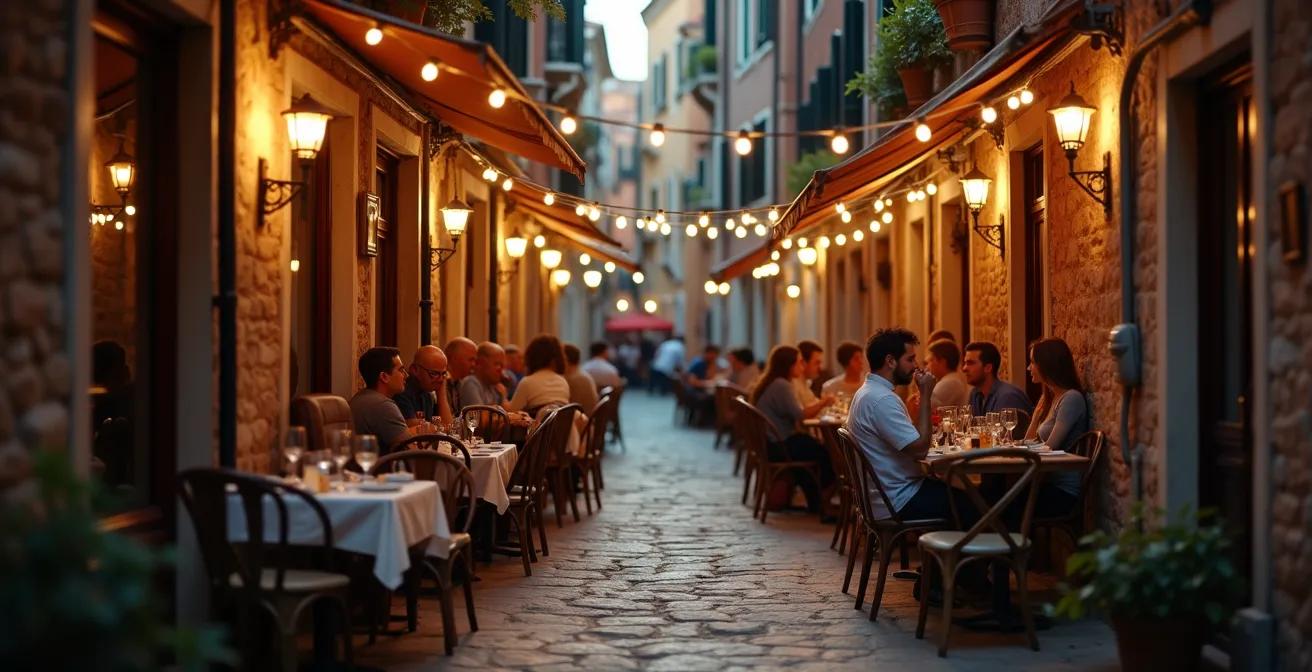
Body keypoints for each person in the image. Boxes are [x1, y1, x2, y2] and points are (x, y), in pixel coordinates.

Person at [846, 327, 978, 523]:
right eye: (910, 359)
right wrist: (926, 394)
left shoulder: (869, 392)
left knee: (965, 499)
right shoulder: (881, 399)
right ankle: (985, 551)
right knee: (975, 504)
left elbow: (915, 441)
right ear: (890, 361)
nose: (916, 365)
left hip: (887, 495)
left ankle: (946, 551)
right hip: (899, 499)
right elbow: (919, 451)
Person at [749, 345, 836, 513]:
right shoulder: (782, 385)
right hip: (778, 445)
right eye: (798, 362)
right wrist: (824, 402)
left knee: (810, 447)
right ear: (789, 365)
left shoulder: (773, 382)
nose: (801, 366)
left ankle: (816, 501)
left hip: (771, 443)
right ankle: (822, 499)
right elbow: (800, 414)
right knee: (827, 452)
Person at [1022, 337, 1089, 512]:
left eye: (1032, 363)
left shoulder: (1071, 398)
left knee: (997, 503)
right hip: (1046, 485)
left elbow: (1049, 448)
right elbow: (1028, 442)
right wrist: (1036, 416)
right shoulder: (1052, 399)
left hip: (1062, 492)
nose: (1029, 368)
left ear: (1047, 365)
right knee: (994, 497)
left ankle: (1013, 538)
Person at [963, 341, 1034, 436]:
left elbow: (1011, 442)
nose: (964, 368)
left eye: (970, 363)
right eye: (965, 363)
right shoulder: (975, 394)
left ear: (988, 368)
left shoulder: (1008, 397)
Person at [349, 346, 412, 452]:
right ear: (384, 377)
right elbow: (414, 453)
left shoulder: (363, 398)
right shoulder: (382, 405)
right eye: (401, 370)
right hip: (376, 467)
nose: (406, 375)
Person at [460, 341, 532, 427]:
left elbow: (501, 412)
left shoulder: (492, 386)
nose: (501, 371)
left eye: (502, 366)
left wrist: (518, 415)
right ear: (480, 364)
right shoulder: (471, 383)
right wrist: (512, 416)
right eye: (497, 364)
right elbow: (481, 420)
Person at [506, 334, 573, 417]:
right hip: (563, 430)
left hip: (537, 429)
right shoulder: (563, 382)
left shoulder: (527, 382)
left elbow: (512, 412)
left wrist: (503, 398)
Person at [907, 339, 970, 417]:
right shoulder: (952, 378)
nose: (927, 366)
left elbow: (920, 409)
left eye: (930, 360)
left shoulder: (949, 382)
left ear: (942, 362)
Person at [394, 345, 455, 426]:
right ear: (415, 370)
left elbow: (447, 426)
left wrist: (441, 393)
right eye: (434, 374)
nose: (441, 379)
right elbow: (415, 429)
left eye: (443, 374)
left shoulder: (427, 391)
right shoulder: (401, 391)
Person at [563, 343, 601, 413]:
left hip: (581, 421)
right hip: (589, 419)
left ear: (565, 361)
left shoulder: (570, 380)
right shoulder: (585, 375)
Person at [794, 340, 825, 404]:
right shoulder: (794, 386)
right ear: (803, 363)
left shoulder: (806, 383)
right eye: (817, 363)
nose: (820, 368)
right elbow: (802, 413)